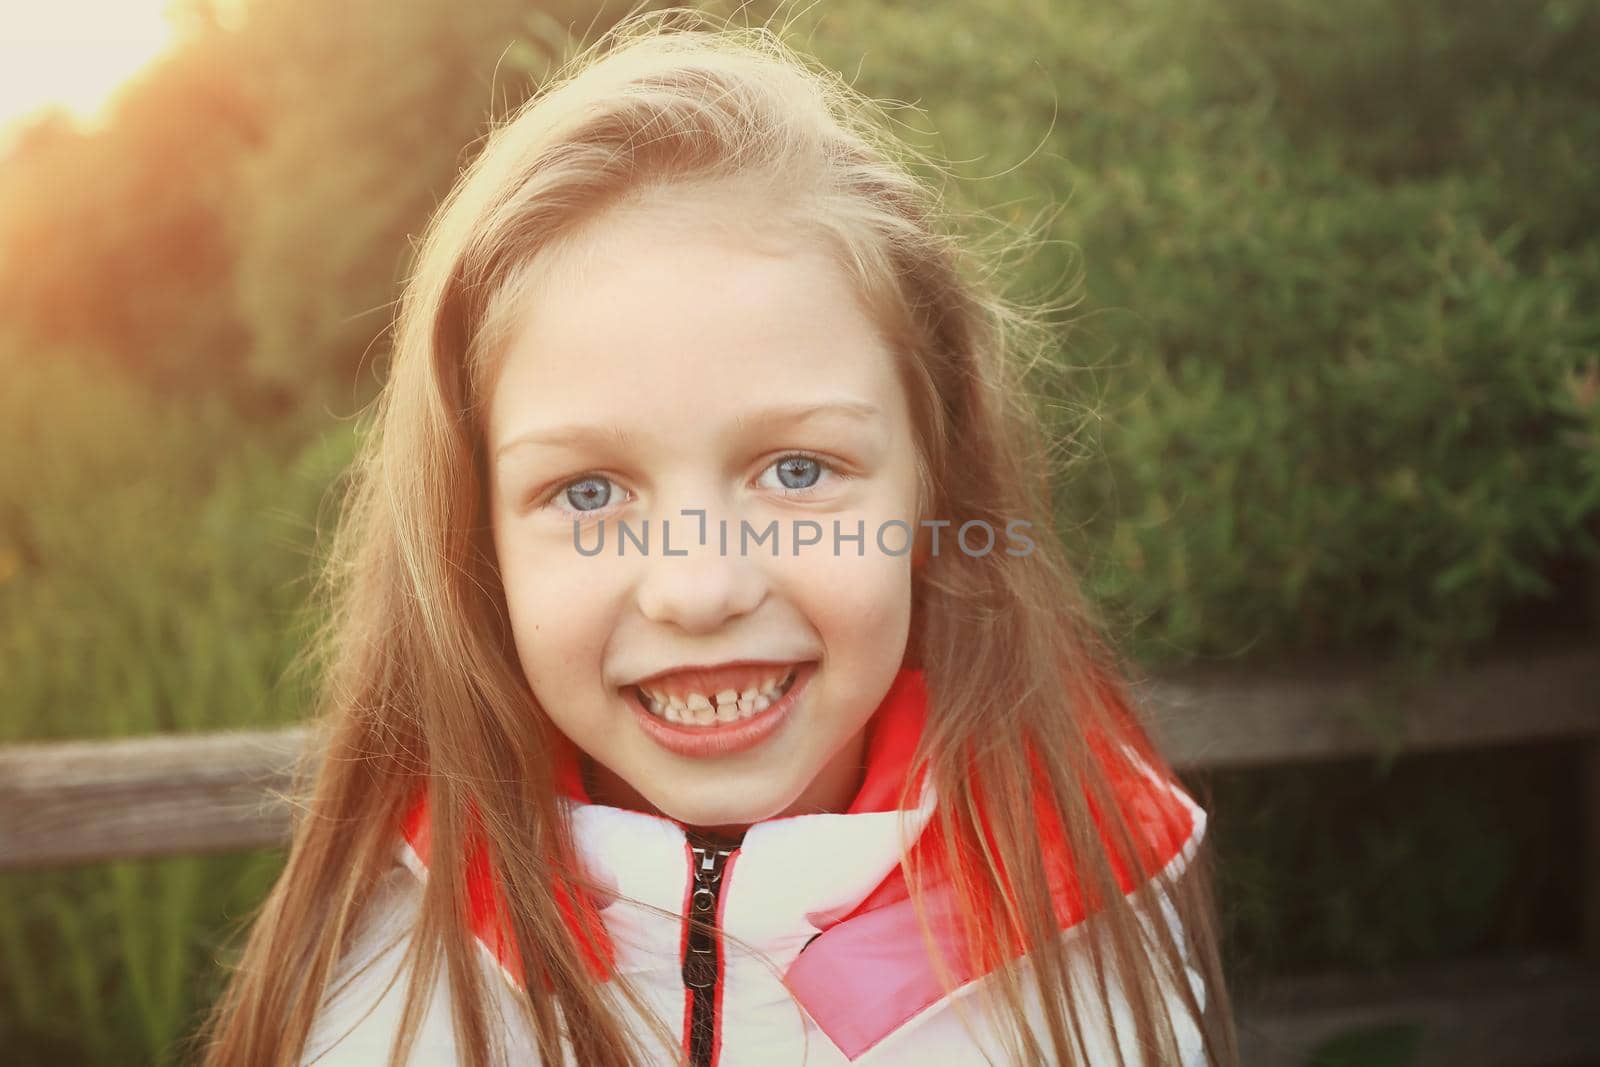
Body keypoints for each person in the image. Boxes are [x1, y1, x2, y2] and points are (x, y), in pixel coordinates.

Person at [198, 9, 1237, 1066]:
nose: (698, 590)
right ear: (476, 546)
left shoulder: (1087, 954)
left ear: (935, 493)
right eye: (589, 490)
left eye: (797, 471)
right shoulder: (381, 1002)